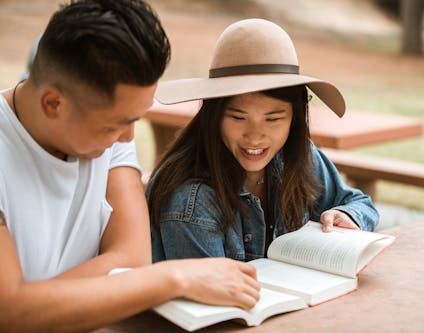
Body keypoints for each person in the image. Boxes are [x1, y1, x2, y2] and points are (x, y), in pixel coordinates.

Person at [0, 1, 260, 332]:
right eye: (115, 124)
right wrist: (172, 277)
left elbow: (133, 260)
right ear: (54, 103)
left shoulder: (108, 140)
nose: (128, 137)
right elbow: (9, 313)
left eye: (135, 119)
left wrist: (37, 303)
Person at [147, 18, 379, 262]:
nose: (255, 137)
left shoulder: (297, 156)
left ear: (295, 118)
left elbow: (359, 202)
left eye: (273, 119)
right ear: (214, 117)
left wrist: (347, 215)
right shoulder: (191, 201)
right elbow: (208, 294)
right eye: (238, 117)